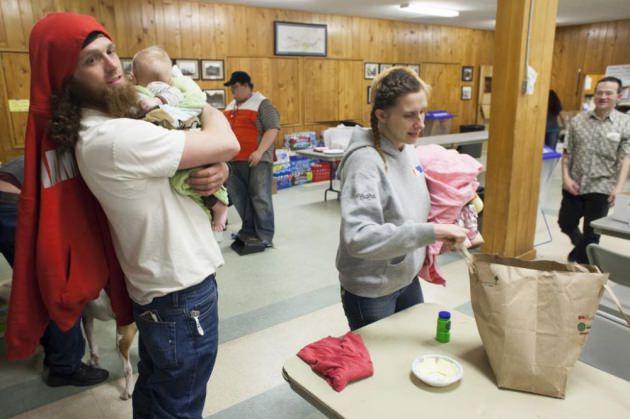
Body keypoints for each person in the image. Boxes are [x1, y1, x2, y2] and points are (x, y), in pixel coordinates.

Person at [28, 13, 238, 417]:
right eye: (91, 60)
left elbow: (205, 157)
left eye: (110, 51)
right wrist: (210, 111)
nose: (112, 65)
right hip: (180, 294)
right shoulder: (114, 137)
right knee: (179, 406)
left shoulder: (108, 125)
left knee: (156, 396)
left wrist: (217, 170)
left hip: (164, 292)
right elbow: (225, 141)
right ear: (67, 79)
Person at [336, 67, 468, 331]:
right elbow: (358, 238)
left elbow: (410, 207)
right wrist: (432, 232)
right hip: (373, 289)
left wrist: (444, 230)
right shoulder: (365, 163)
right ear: (382, 116)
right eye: (409, 115)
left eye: (423, 112)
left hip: (406, 278)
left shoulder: (406, 148)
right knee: (380, 356)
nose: (420, 123)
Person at [0, 157, 109, 387]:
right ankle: (64, 366)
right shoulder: (95, 157)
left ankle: (52, 344)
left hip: (9, 194)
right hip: (14, 204)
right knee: (61, 286)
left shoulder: (64, 145)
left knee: (38, 282)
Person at [132, 45, 230, 232]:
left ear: (133, 77)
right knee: (195, 179)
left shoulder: (166, 89)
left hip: (186, 132)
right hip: (180, 139)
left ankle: (219, 207)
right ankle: (216, 207)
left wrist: (156, 100)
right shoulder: (140, 92)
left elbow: (174, 95)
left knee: (198, 179)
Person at [559, 76, 630, 264]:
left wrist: (618, 188)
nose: (603, 97)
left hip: (602, 186)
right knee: (565, 223)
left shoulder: (625, 123)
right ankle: (582, 251)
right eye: (599, 93)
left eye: (608, 93)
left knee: (592, 232)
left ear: (618, 96)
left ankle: (584, 270)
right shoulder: (577, 121)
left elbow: (626, 158)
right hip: (575, 183)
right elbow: (566, 153)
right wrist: (566, 178)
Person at [224, 71, 280, 246]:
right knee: (239, 197)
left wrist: (259, 152)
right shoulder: (230, 107)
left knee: (260, 196)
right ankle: (248, 231)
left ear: (246, 85)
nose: (233, 91)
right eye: (231, 88)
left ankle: (265, 235)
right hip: (233, 160)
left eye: (235, 87)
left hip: (257, 159)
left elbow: (273, 128)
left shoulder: (263, 104)